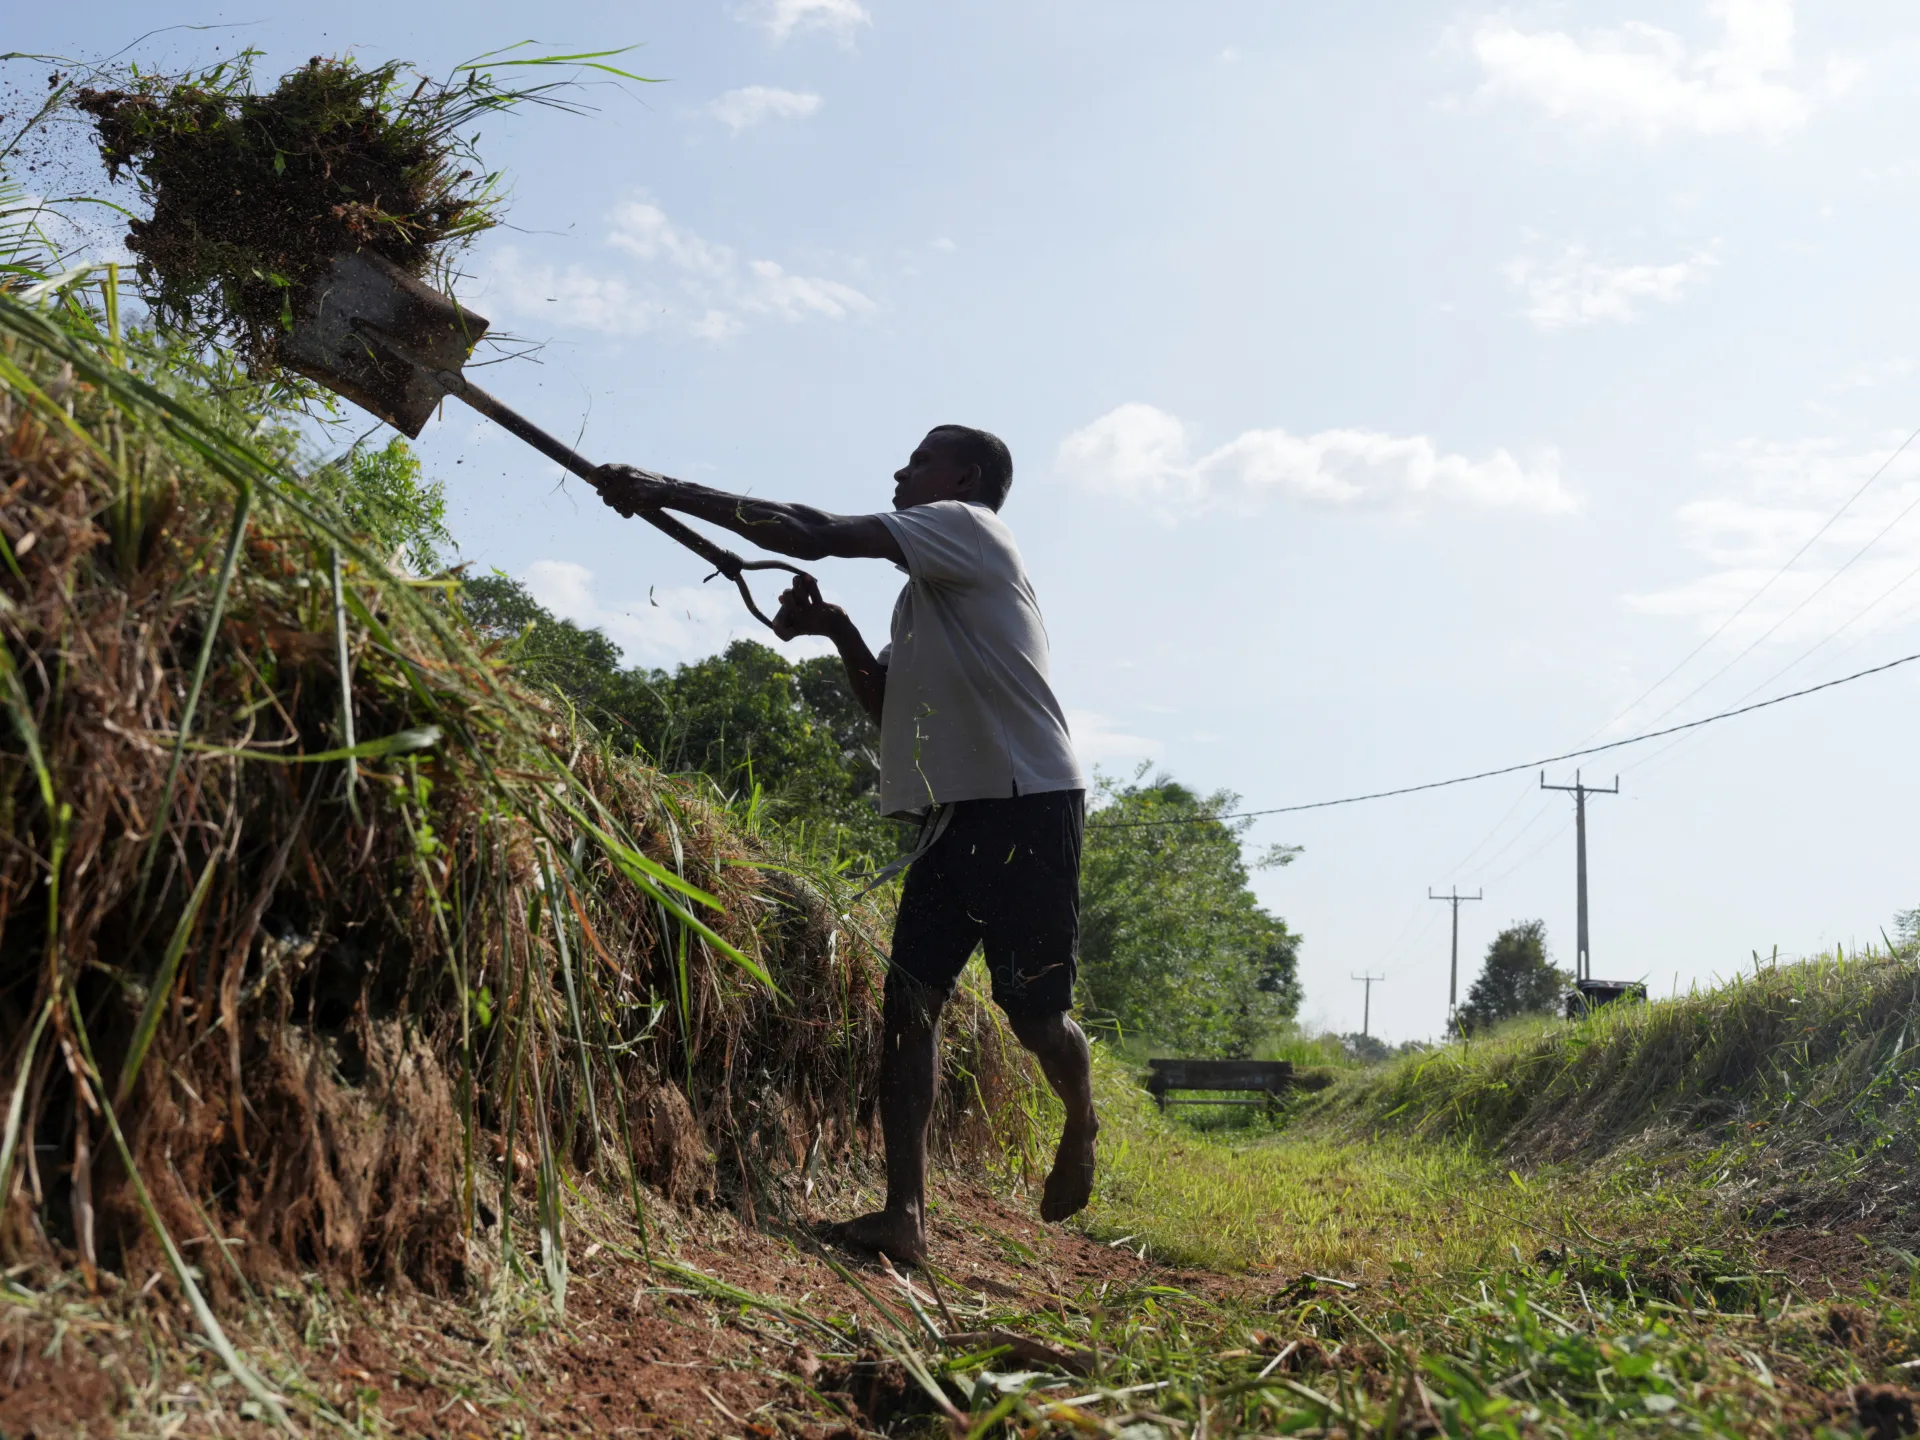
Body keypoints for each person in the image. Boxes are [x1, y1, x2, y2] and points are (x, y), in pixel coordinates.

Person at [594, 425, 1096, 1264]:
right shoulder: (927, 590)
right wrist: (834, 630)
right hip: (953, 818)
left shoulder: (969, 529)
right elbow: (885, 701)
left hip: (1026, 805)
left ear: (965, 478)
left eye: (921, 458)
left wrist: (665, 487)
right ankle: (905, 1216)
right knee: (909, 1007)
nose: (902, 469)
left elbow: (813, 532)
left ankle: (1080, 1117)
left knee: (1035, 1015)